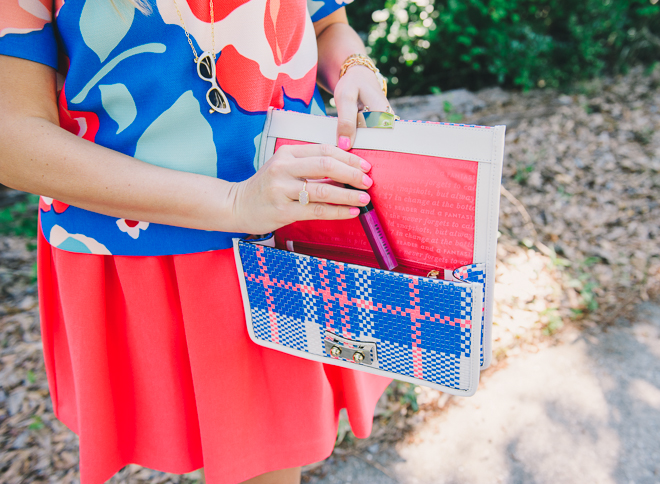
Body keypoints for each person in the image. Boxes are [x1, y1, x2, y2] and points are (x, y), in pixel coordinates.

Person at [0, 0, 393, 482]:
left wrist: (355, 68)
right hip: (138, 243)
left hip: (287, 229)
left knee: (266, 469)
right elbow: (12, 137)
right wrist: (233, 201)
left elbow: (329, 24)